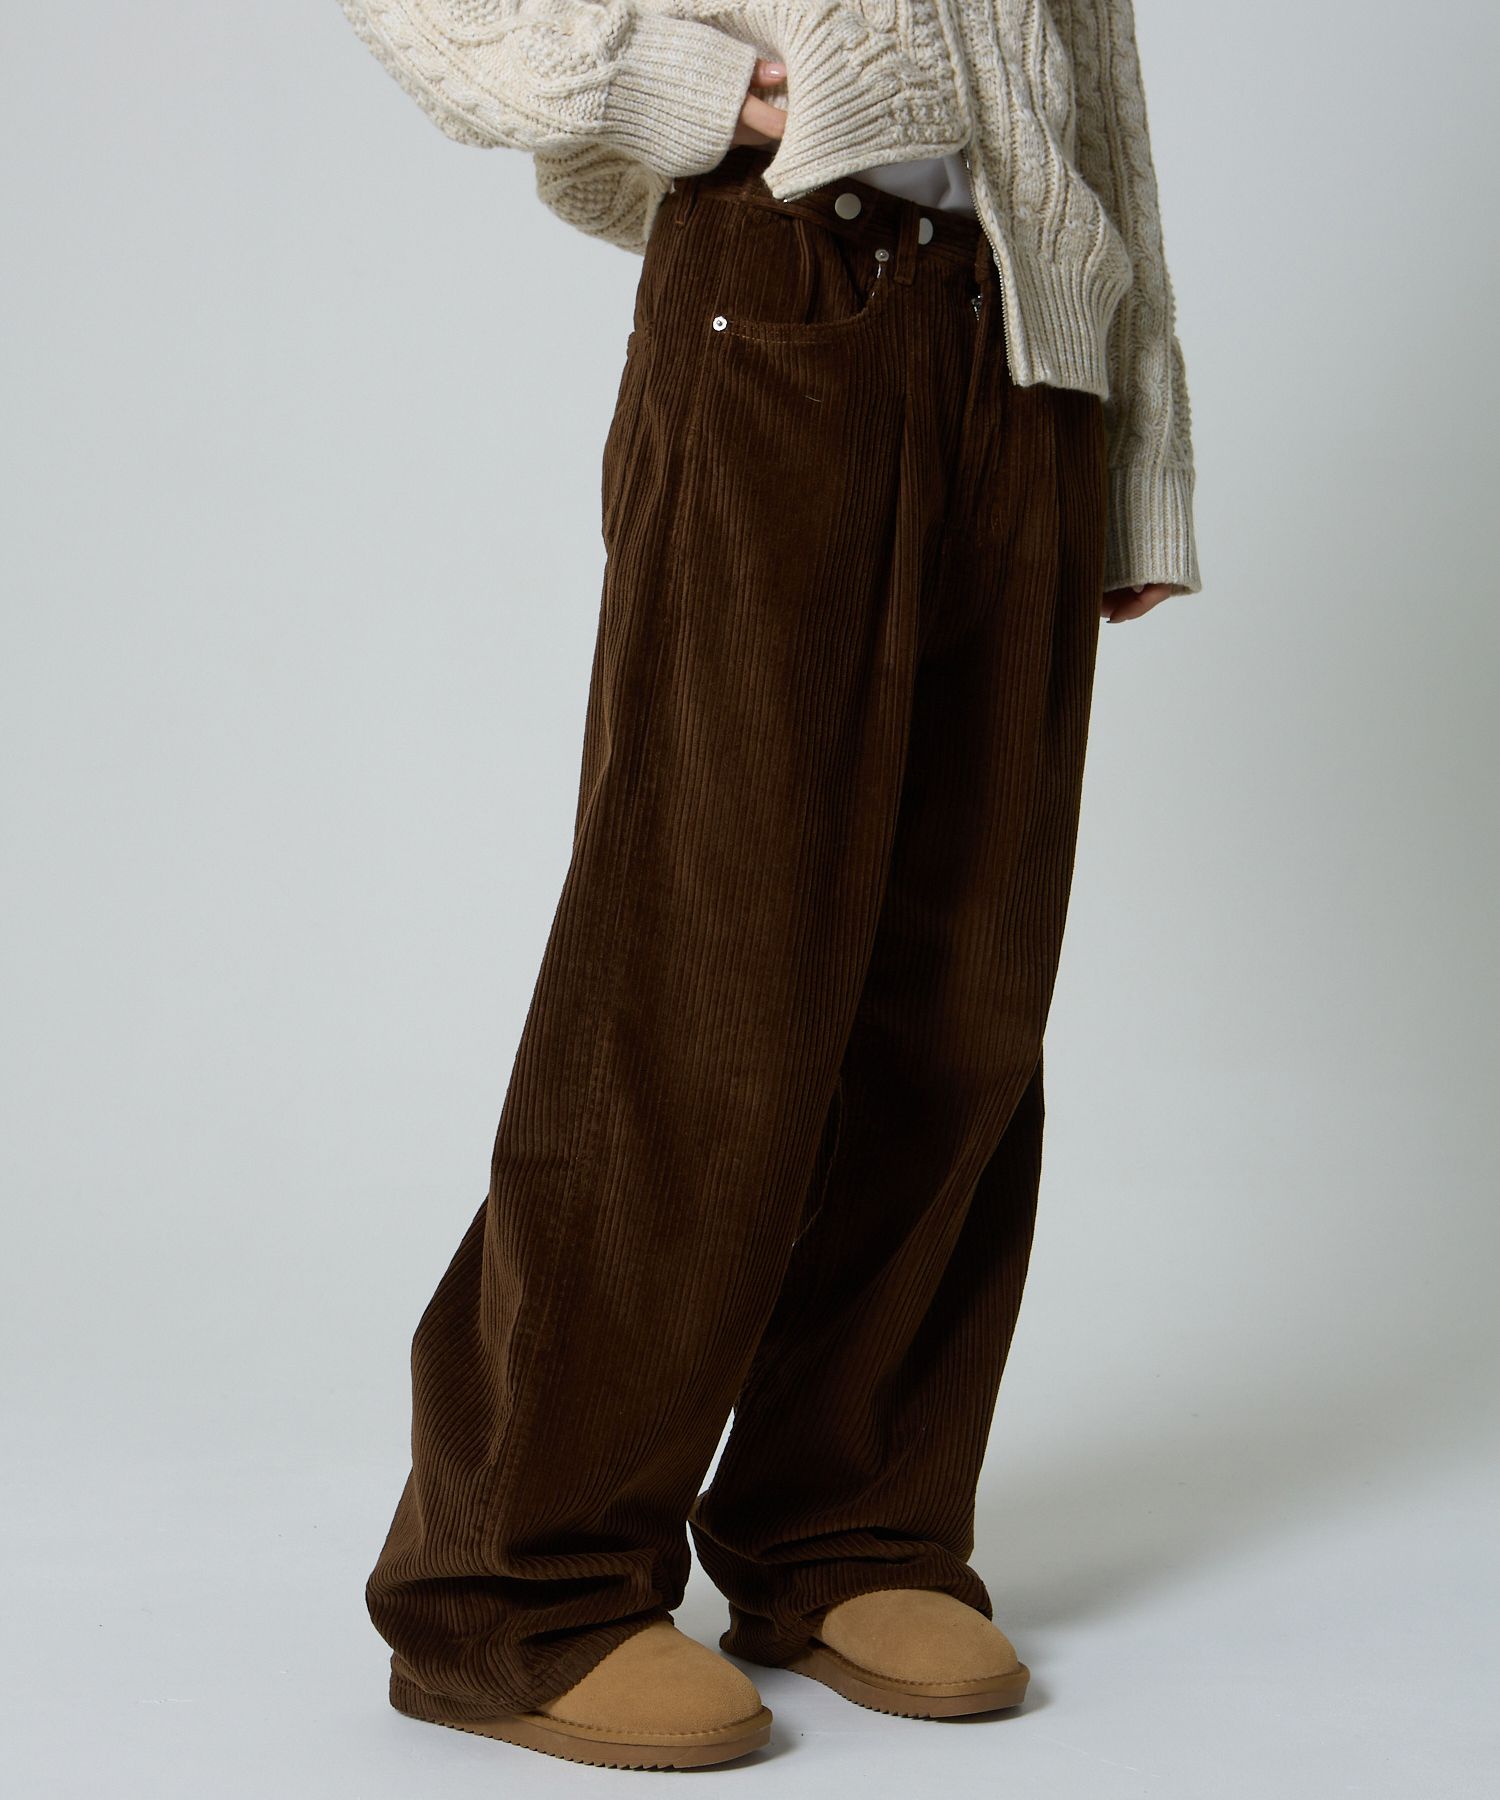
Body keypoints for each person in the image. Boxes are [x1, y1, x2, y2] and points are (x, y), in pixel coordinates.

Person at [332, 0, 1203, 1770]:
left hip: (1024, 347)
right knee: (702, 976)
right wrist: (685, 80)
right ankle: (516, 1580)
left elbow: (1092, 66)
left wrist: (1138, 441)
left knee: (963, 993)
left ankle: (851, 1530)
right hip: (784, 297)